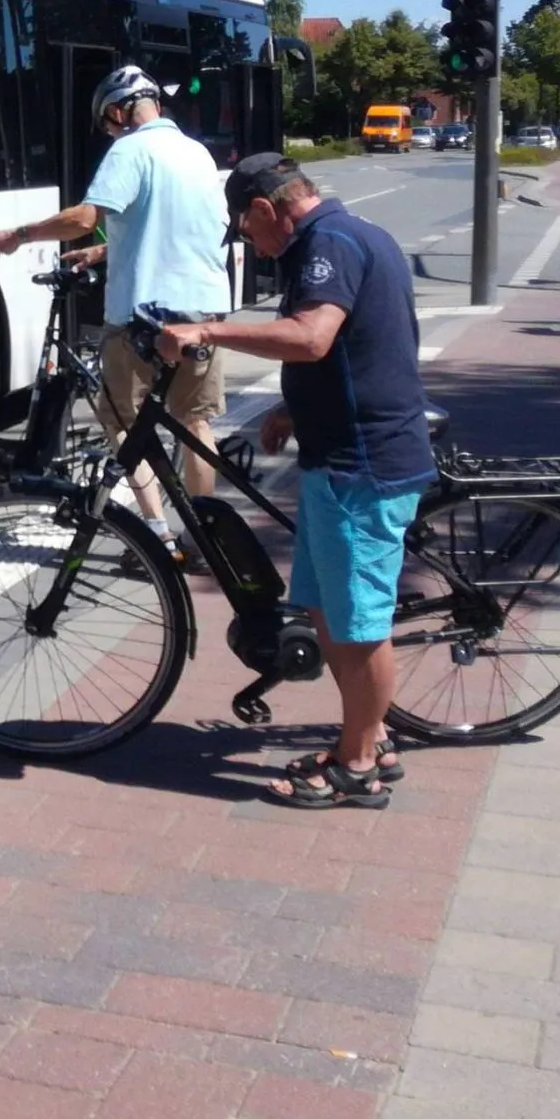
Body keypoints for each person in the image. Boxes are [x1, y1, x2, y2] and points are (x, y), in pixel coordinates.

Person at [159, 154, 434, 809]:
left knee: (359, 626)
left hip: (360, 464)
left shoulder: (328, 245)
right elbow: (356, 348)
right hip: (338, 456)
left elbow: (313, 337)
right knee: (326, 613)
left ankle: (360, 764)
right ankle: (364, 736)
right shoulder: (352, 235)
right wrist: (291, 408)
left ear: (261, 209)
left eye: (245, 232)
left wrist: (206, 330)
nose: (251, 245)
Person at [0, 63, 231, 539]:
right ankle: (206, 535)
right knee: (196, 425)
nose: (108, 131)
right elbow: (174, 226)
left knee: (121, 421)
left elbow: (82, 217)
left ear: (120, 111)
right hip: (203, 315)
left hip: (145, 320)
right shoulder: (197, 153)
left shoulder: (131, 150)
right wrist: (104, 249)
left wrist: (20, 235)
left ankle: (156, 533)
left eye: (107, 122)